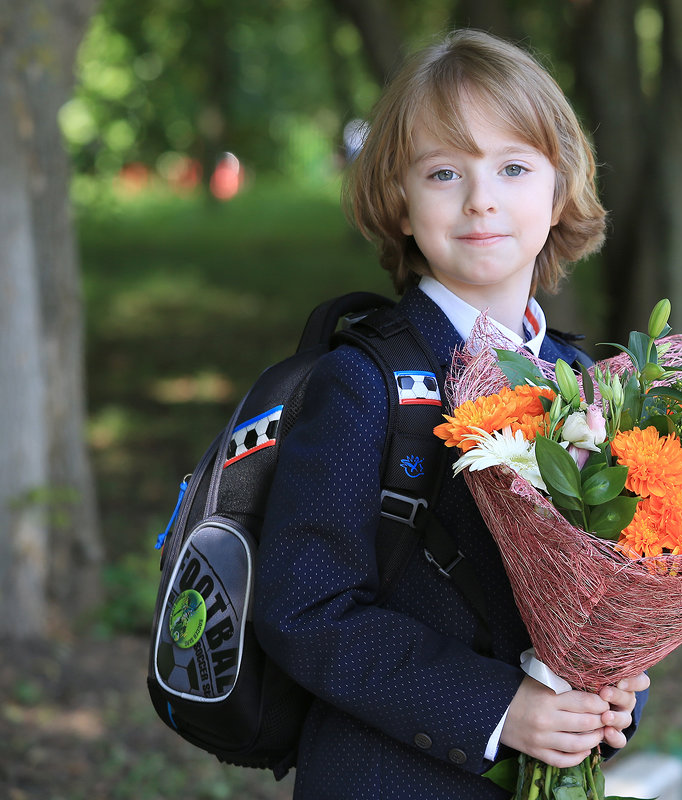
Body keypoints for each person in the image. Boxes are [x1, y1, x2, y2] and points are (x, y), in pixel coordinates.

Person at [254, 29, 650, 799]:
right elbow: (306, 608)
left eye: (512, 167)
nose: (481, 199)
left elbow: (612, 592)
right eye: (443, 172)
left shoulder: (588, 384)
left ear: (559, 187)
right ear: (399, 202)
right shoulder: (362, 383)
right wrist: (499, 709)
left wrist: (612, 692)